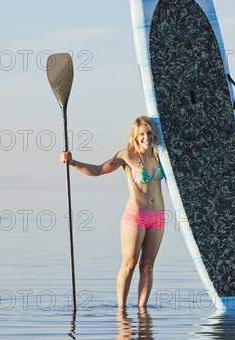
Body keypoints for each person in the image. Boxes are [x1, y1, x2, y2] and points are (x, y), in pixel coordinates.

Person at [60, 115, 165, 308]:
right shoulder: (126, 156)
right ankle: (121, 310)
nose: (146, 137)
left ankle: (143, 313)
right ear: (135, 135)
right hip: (136, 217)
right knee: (130, 264)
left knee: (148, 267)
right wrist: (73, 162)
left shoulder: (161, 156)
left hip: (157, 217)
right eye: (141, 133)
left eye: (149, 132)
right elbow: (98, 170)